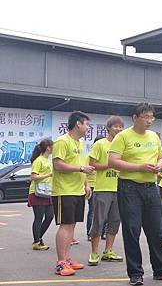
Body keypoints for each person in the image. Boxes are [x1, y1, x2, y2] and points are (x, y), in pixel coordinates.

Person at [108, 103, 162, 286]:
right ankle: (135, 273)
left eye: (151, 117)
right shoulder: (123, 137)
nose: (149, 121)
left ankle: (161, 269)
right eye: (145, 117)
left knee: (158, 229)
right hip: (129, 188)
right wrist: (139, 167)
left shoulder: (154, 137)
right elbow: (113, 161)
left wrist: (160, 165)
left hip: (151, 187)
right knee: (132, 230)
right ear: (135, 118)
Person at [52, 111, 95, 276]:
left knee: (72, 225)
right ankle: (60, 262)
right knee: (65, 225)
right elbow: (58, 165)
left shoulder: (80, 143)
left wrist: (86, 185)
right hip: (64, 190)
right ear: (78, 123)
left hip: (77, 190)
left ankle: (67, 257)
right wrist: (82, 168)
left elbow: (81, 164)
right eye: (87, 124)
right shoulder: (62, 142)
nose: (88, 128)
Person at [87, 116, 125, 266]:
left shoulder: (123, 145)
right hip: (103, 189)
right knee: (98, 221)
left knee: (115, 221)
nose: (119, 129)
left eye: (121, 127)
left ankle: (108, 250)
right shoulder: (100, 144)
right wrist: (110, 165)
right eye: (116, 126)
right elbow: (92, 165)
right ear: (108, 128)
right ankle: (94, 252)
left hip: (120, 188)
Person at [28, 139, 54, 251]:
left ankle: (39, 238)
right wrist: (48, 175)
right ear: (48, 147)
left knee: (49, 216)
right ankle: (36, 242)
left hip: (48, 192)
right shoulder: (38, 160)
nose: (54, 148)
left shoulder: (49, 160)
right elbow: (33, 177)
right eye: (53, 146)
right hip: (37, 192)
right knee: (39, 217)